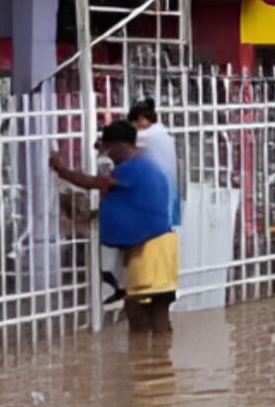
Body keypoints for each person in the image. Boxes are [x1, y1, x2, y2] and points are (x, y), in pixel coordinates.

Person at [48, 120, 178, 335]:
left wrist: (61, 170)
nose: (106, 153)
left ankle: (146, 362)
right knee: (156, 313)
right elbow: (134, 206)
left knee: (140, 312)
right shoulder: (145, 164)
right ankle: (157, 360)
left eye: (108, 148)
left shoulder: (133, 168)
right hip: (159, 247)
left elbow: (94, 183)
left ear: (122, 146)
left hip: (150, 252)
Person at [129, 98, 182, 230]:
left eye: (133, 123)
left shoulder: (146, 136)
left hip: (156, 194)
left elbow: (123, 144)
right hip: (168, 191)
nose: (133, 127)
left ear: (141, 119)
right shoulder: (162, 131)